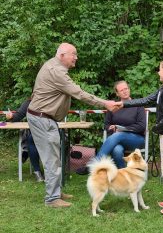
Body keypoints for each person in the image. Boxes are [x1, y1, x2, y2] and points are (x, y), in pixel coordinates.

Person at [27, 42, 119, 208]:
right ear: (62, 55)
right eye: (73, 54)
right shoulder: (57, 72)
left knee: (54, 157)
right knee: (51, 160)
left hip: (43, 117)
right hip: (43, 119)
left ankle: (55, 192)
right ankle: (52, 199)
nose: (76, 57)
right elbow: (80, 94)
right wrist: (105, 103)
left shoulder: (52, 65)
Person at [119, 59, 163, 215]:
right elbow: (146, 100)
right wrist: (124, 104)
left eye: (160, 69)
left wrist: (156, 128)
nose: (158, 72)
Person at [97, 80, 146, 168]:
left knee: (119, 135)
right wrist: (112, 128)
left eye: (126, 88)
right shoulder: (113, 106)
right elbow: (106, 125)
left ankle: (95, 162)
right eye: (121, 90)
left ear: (129, 89)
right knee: (117, 150)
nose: (125, 91)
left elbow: (142, 126)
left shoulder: (138, 105)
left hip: (136, 139)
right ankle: (123, 174)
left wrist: (123, 129)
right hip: (116, 139)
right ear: (117, 94)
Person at [6, 99, 44, 182]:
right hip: (36, 133)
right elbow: (18, 116)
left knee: (31, 139)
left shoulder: (53, 100)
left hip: (52, 131)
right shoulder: (29, 102)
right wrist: (11, 116)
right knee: (31, 139)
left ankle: (53, 172)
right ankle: (37, 172)